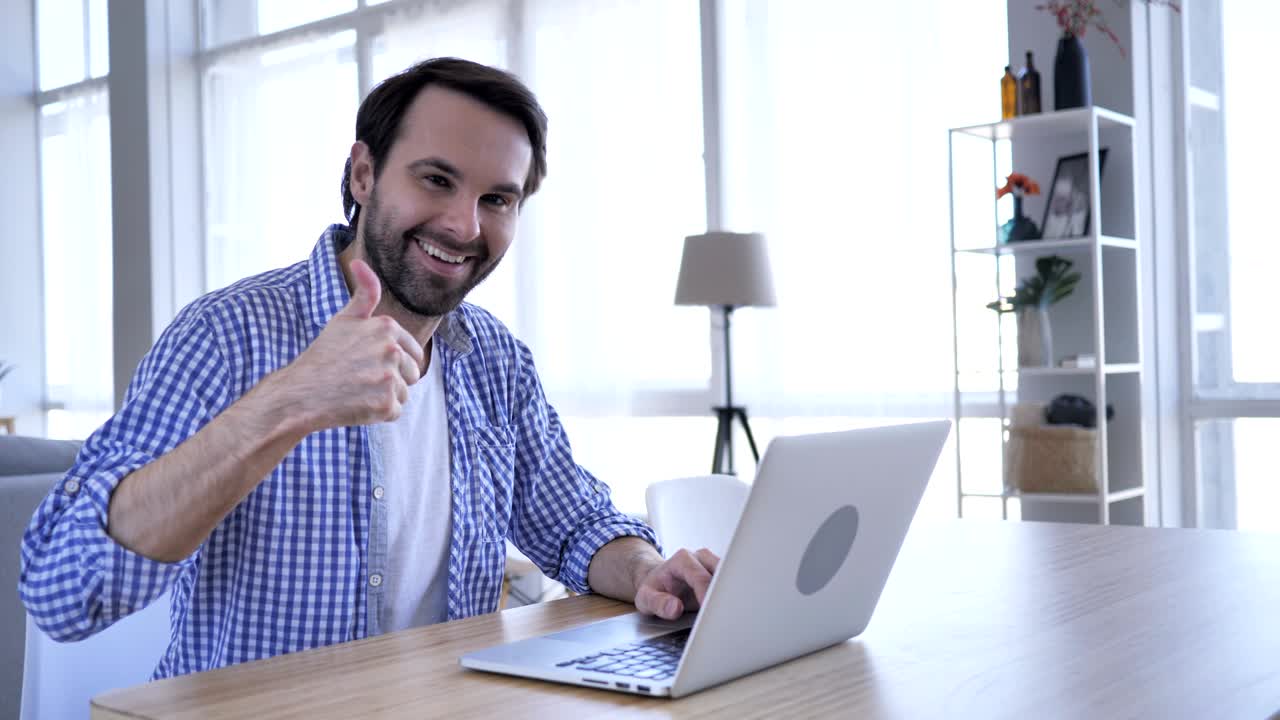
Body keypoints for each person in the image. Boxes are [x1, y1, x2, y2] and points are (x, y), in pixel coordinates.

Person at [19, 57, 718, 679]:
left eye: (497, 200)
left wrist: (650, 573)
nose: (465, 226)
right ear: (363, 174)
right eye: (437, 179)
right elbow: (60, 589)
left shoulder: (496, 360)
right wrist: (291, 400)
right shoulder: (226, 335)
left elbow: (574, 523)